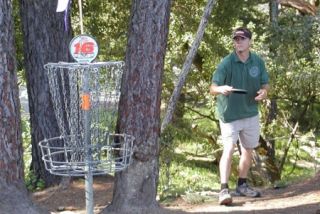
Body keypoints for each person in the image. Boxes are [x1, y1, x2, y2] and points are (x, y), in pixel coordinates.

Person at [209, 27, 269, 205]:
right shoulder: (227, 62)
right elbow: (212, 88)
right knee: (229, 149)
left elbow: (266, 84)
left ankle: (242, 185)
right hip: (230, 115)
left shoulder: (257, 62)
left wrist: (264, 93)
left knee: (248, 150)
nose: (238, 42)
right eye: (236, 39)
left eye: (242, 39)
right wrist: (221, 89)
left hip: (250, 112)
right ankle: (223, 190)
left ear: (250, 41)